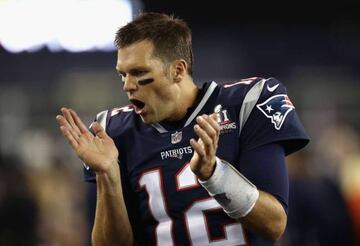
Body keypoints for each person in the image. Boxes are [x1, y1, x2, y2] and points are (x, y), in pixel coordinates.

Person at [56, 12, 309, 246]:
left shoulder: (246, 104)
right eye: (123, 74)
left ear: (177, 70)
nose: (127, 85)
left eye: (139, 72)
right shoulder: (114, 133)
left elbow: (274, 224)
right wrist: (108, 175)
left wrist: (213, 174)